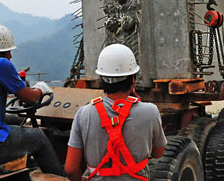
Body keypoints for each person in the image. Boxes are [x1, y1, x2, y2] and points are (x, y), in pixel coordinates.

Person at [0, 24, 64, 175]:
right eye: (9, 52)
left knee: (15, 119)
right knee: (38, 137)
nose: (10, 56)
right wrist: (41, 89)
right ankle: (60, 177)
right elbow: (31, 98)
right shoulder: (0, 64)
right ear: (0, 52)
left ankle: (25, 168)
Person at [65, 44, 167, 181]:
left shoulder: (84, 114)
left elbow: (71, 169)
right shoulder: (150, 112)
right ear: (133, 79)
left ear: (101, 79)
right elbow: (158, 153)